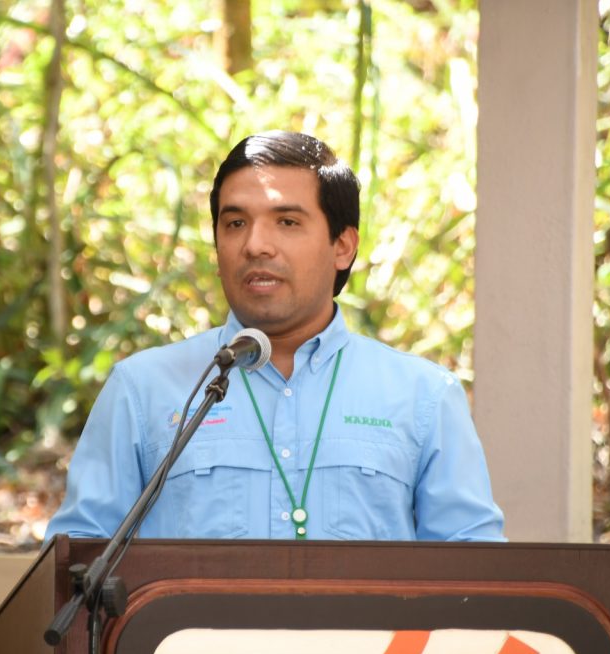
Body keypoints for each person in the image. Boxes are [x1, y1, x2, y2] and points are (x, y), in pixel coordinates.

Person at [44, 130, 504, 542]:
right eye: (235, 223)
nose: (255, 245)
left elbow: (474, 574)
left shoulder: (423, 397)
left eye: (287, 222)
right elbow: (77, 563)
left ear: (343, 246)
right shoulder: (143, 389)